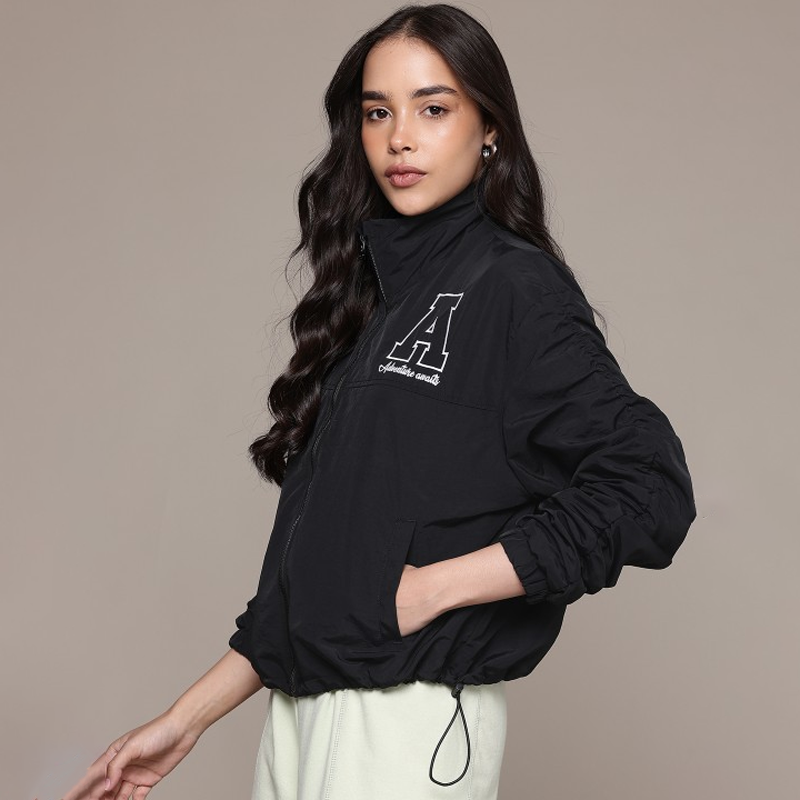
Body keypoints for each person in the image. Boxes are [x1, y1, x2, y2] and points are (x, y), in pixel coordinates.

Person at [58, 4, 696, 800]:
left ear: (490, 129)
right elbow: (316, 579)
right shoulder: (373, 309)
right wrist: (185, 721)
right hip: (300, 720)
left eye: (433, 109)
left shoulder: (512, 287)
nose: (400, 138)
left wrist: (430, 590)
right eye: (377, 112)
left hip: (403, 724)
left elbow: (648, 487)